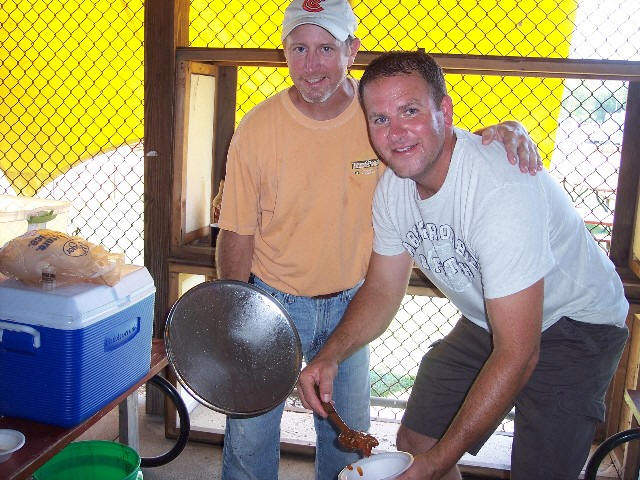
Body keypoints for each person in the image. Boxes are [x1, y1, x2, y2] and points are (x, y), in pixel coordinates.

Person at [216, 1, 541, 478]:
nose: (312, 64)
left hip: (354, 301)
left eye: (326, 48)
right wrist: (234, 312)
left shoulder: (377, 115)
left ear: (352, 50)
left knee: (350, 442)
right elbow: (237, 231)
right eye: (299, 48)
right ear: (283, 52)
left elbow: (437, 140)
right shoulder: (257, 128)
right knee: (249, 434)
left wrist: (509, 130)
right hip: (273, 299)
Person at [297, 50, 629, 480]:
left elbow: (518, 353)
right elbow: (381, 290)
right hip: (492, 317)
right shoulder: (394, 190)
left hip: (577, 322)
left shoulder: (499, 190)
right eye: (380, 119)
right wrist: (329, 356)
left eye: (410, 111)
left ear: (445, 111)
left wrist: (436, 465)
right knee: (418, 442)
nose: (396, 132)